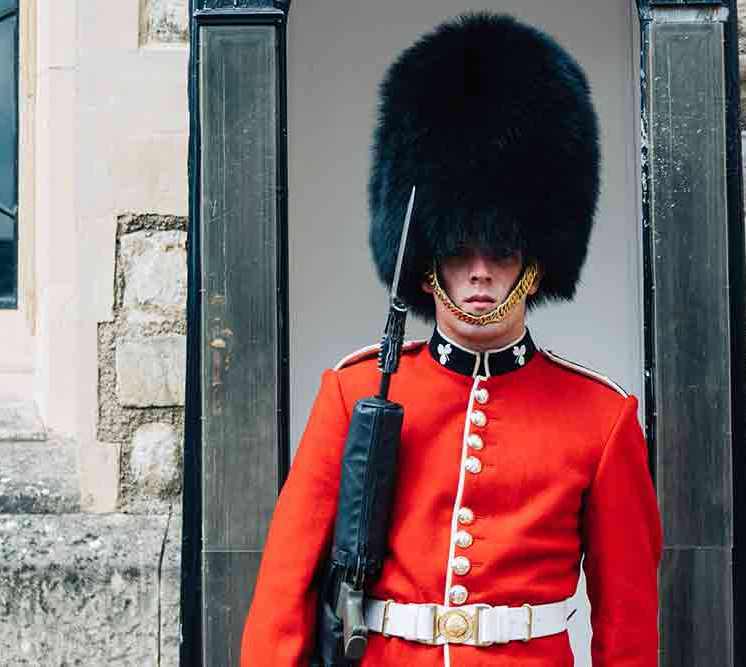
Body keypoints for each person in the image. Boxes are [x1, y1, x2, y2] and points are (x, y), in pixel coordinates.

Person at [241, 12, 662, 667]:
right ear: (427, 258)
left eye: (500, 248)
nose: (479, 272)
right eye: (458, 248)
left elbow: (628, 630)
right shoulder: (354, 393)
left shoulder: (601, 421)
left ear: (536, 257)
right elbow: (281, 599)